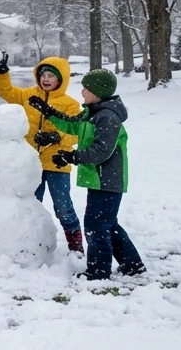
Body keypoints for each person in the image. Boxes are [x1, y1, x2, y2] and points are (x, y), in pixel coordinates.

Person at [29, 69, 145, 280]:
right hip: (100, 179)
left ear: (98, 92)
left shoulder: (107, 116)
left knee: (96, 225)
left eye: (87, 88)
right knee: (108, 224)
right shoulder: (93, 111)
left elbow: (102, 150)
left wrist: (72, 157)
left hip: (107, 179)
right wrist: (48, 111)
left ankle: (98, 271)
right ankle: (132, 264)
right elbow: (73, 125)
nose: (82, 91)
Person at [0, 49, 85, 254]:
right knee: (31, 205)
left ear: (61, 78)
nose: (46, 79)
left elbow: (78, 133)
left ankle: (76, 246)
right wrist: (2, 72)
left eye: (51, 75)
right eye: (43, 75)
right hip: (31, 163)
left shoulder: (70, 104)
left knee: (63, 208)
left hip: (57, 163)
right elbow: (7, 92)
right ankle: (31, 244)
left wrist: (56, 137)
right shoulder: (28, 95)